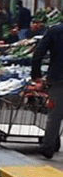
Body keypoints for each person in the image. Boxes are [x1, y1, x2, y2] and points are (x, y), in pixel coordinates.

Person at [31, 22, 63, 159]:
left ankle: (48, 146)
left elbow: (38, 53)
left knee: (54, 114)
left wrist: (36, 75)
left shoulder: (54, 31)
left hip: (57, 77)